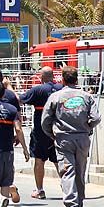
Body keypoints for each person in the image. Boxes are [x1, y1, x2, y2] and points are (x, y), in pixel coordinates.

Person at [42, 66, 101, 207]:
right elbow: (96, 118)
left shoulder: (56, 96)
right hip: (82, 139)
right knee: (80, 172)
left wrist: (52, 134)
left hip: (63, 139)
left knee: (68, 172)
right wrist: (86, 128)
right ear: (77, 79)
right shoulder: (87, 96)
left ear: (63, 79)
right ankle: (78, 206)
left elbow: (45, 121)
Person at [20, 66, 63, 199]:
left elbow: (20, 99)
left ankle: (40, 190)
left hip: (41, 131)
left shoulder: (37, 89)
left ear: (42, 77)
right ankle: (68, 188)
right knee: (59, 160)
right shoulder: (61, 89)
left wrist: (8, 87)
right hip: (57, 129)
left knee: (39, 160)